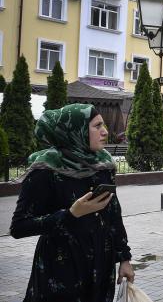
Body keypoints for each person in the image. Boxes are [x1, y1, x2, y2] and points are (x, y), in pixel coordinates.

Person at [10, 103, 134, 302]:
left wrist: (125, 259)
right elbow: (19, 227)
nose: (105, 131)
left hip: (101, 268)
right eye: (97, 126)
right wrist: (69, 214)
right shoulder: (46, 170)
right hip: (61, 271)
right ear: (76, 131)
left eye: (103, 125)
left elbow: (114, 216)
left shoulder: (102, 165)